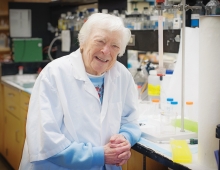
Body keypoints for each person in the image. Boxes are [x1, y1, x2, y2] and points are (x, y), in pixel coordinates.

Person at [19, 12, 141, 170]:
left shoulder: (122, 75)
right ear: (83, 42)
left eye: (114, 46)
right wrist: (100, 155)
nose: (106, 51)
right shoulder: (55, 73)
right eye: (100, 41)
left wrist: (125, 138)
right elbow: (46, 140)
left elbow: (130, 119)